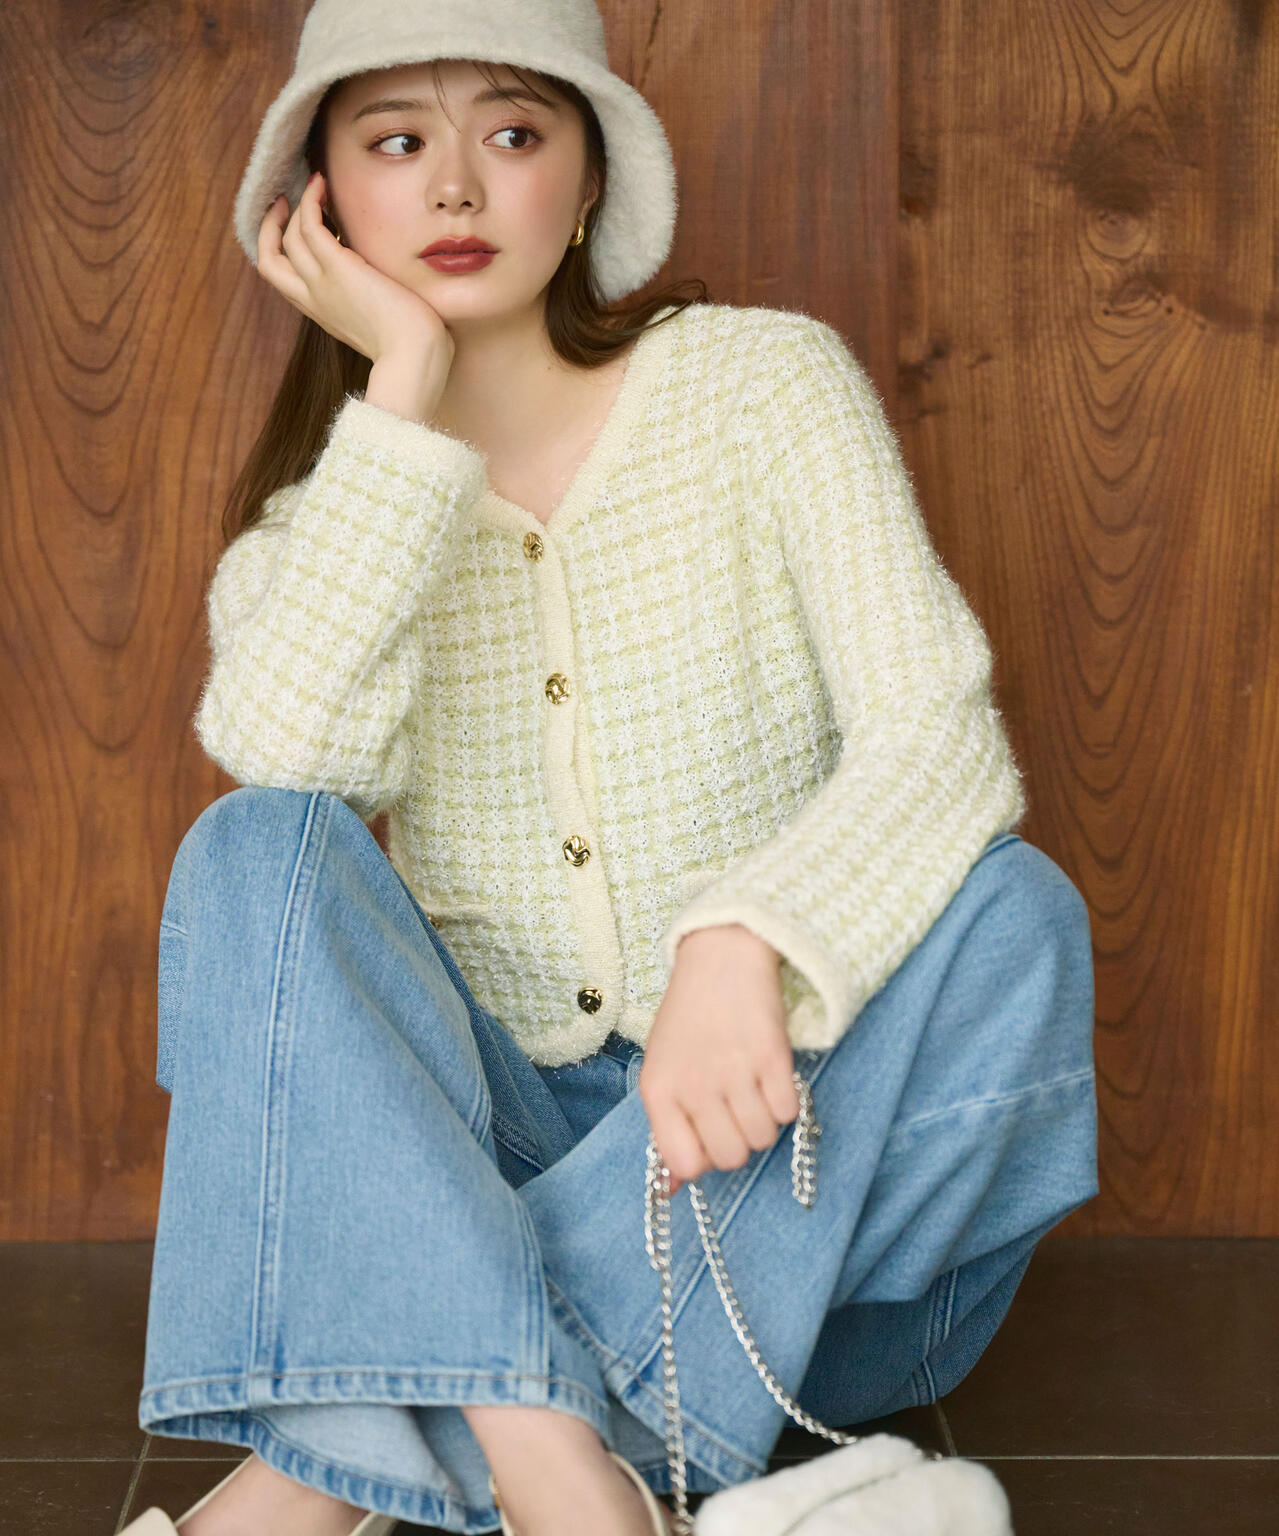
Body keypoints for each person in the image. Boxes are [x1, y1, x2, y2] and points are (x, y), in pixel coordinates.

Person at [128, 2, 1100, 1534]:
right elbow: (289, 754)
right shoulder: (328, 530)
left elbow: (940, 732)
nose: (457, 186)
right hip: (486, 1158)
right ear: (322, 203)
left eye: (513, 132)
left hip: (793, 1193)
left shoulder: (765, 387)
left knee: (1015, 910)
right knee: (254, 846)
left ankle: (334, 1471)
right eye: (397, 141)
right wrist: (403, 383)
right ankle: (558, 1466)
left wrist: (748, 939)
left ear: (587, 181)